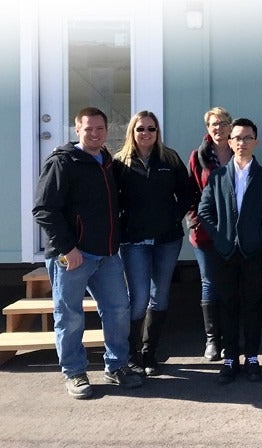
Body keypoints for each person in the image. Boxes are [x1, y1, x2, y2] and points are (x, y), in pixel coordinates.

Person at [33, 107, 143, 399]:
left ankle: (117, 365)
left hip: (107, 254)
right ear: (77, 130)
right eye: (88, 129)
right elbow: (44, 210)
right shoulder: (63, 162)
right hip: (73, 256)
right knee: (69, 316)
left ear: (107, 131)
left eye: (100, 129)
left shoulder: (108, 162)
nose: (94, 134)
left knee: (119, 310)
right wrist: (69, 248)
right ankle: (74, 372)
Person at [198, 118, 262, 384]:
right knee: (228, 305)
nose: (242, 142)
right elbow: (204, 211)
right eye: (237, 138)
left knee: (253, 305)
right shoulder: (218, 176)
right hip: (224, 254)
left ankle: (252, 357)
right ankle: (230, 357)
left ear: (255, 142)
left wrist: (258, 236)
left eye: (247, 137)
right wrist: (221, 239)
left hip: (252, 252)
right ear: (229, 142)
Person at [113, 111, 190, 376]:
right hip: (134, 241)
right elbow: (111, 200)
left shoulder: (169, 158)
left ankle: (150, 354)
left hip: (167, 240)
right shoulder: (119, 163)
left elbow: (188, 192)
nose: (146, 133)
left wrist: (173, 217)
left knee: (160, 297)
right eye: (140, 129)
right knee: (140, 298)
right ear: (131, 132)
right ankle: (132, 353)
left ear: (158, 132)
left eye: (151, 129)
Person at [187, 107, 234, 361]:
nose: (219, 128)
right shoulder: (198, 156)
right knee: (210, 283)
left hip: (232, 233)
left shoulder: (239, 152)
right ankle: (212, 340)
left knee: (230, 283)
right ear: (208, 128)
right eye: (214, 124)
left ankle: (229, 339)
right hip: (205, 232)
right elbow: (190, 192)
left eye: (223, 123)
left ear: (230, 125)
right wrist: (195, 222)